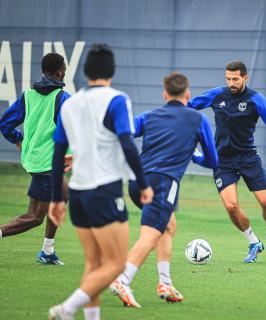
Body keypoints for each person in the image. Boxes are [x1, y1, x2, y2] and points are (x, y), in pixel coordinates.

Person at [47, 43, 153, 320]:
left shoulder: (70, 103)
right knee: (116, 264)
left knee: (93, 264)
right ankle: (66, 309)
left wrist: (57, 198)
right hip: (105, 191)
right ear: (112, 71)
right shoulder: (117, 100)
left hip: (78, 195)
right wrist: (143, 183)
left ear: (85, 71)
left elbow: (58, 154)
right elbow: (128, 145)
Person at [109, 72, 218, 307]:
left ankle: (165, 283)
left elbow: (124, 134)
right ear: (188, 95)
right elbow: (213, 160)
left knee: (169, 225)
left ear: (165, 94)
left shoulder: (149, 116)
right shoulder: (198, 120)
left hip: (137, 182)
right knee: (151, 235)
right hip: (162, 184)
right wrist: (195, 155)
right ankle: (122, 280)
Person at [188, 60, 266, 263]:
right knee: (231, 207)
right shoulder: (217, 95)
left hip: (248, 158)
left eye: (235, 79)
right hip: (222, 160)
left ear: (245, 78)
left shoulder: (256, 100)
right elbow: (187, 106)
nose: (231, 82)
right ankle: (253, 242)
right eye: (228, 79)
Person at [0, 53, 71, 265]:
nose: (64, 71)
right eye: (64, 68)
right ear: (59, 71)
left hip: (33, 159)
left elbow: (4, 124)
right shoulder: (62, 98)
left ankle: (48, 250)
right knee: (34, 217)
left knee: (63, 194)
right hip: (47, 163)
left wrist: (18, 138)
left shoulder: (28, 95)